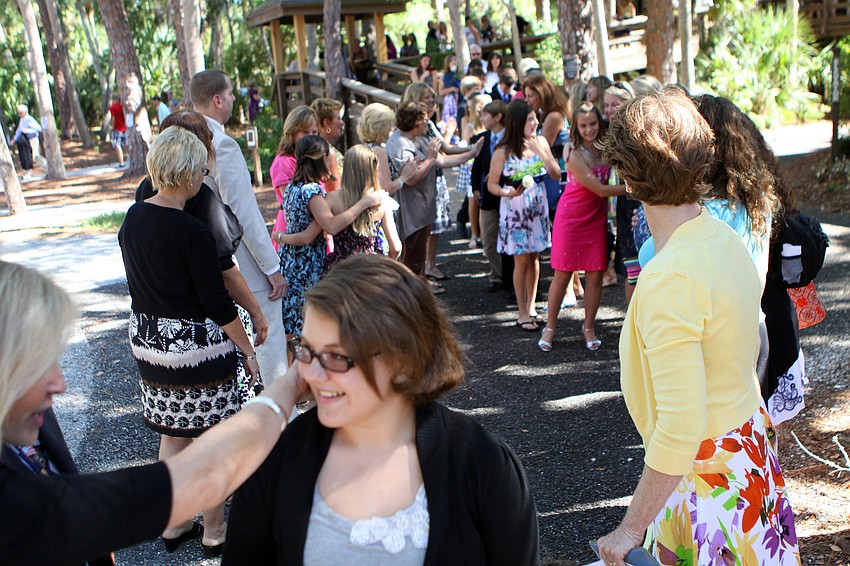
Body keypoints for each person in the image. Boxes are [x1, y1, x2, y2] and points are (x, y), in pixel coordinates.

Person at [223, 254, 539, 564]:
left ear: (404, 359)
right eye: (307, 350)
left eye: (336, 356)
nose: (312, 376)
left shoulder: (481, 463)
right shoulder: (277, 462)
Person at [595, 88, 800, 565]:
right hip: (747, 458)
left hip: (707, 483)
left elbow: (681, 426)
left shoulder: (671, 276)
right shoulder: (722, 236)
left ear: (627, 176)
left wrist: (630, 529)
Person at [0, 259, 307, 565]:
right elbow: (174, 485)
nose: (60, 384)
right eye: (38, 365)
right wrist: (288, 387)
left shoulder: (25, 418)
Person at [119, 126, 268, 556]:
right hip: (194, 348)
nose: (204, 177)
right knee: (212, 439)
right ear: (186, 176)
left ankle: (175, 521)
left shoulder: (133, 219)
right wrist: (248, 348)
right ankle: (214, 529)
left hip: (150, 341)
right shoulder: (192, 232)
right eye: (202, 170)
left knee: (173, 433)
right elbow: (218, 306)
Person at [134, 110, 269, 357]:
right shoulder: (198, 204)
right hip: (196, 336)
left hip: (153, 333)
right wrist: (255, 314)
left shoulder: (141, 201)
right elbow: (222, 279)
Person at [192, 69, 288, 386]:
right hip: (240, 265)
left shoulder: (183, 139)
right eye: (231, 93)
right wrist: (271, 266)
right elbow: (242, 214)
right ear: (217, 99)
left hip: (203, 264)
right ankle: (282, 423)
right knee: (271, 350)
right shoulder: (222, 145)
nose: (235, 98)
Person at [273, 135, 386, 338]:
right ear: (322, 158)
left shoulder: (292, 186)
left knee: (293, 331)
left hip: (290, 260)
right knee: (308, 328)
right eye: (329, 156)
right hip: (307, 265)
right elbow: (329, 227)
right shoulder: (313, 191)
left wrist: (280, 237)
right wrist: (363, 203)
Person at [539, 102, 625, 353]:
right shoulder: (572, 151)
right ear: (576, 126)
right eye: (584, 125)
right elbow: (599, 189)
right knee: (562, 274)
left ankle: (589, 327)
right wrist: (633, 189)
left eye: (593, 124)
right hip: (572, 217)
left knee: (596, 274)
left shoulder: (605, 147)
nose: (589, 129)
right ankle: (550, 327)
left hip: (595, 217)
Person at [386, 100, 480, 288]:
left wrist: (472, 152)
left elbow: (442, 161)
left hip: (423, 207)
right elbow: (410, 178)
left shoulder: (418, 137)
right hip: (411, 211)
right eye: (425, 120)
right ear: (414, 123)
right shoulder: (399, 143)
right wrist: (429, 158)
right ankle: (411, 298)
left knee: (419, 255)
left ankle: (421, 287)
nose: (428, 123)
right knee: (412, 257)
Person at [487, 100, 559, 331]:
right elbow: (491, 184)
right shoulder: (503, 151)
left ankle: (532, 304)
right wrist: (505, 192)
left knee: (534, 258)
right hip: (515, 209)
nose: (536, 122)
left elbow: (556, 174)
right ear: (518, 123)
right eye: (530, 119)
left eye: (535, 118)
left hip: (537, 208)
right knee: (520, 260)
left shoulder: (541, 142)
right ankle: (522, 311)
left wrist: (542, 154)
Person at [324, 145, 401, 268]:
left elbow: (326, 231)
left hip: (341, 269)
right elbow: (395, 247)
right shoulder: (381, 200)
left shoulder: (331, 199)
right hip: (372, 268)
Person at [602, 82, 641, 303]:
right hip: (622, 205)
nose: (609, 109)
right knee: (631, 270)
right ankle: (631, 322)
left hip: (640, 202)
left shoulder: (638, 131)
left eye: (614, 104)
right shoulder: (607, 130)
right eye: (606, 105)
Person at [270, 106, 320, 251]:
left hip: (317, 226)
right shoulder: (284, 162)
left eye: (314, 132)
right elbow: (293, 203)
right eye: (305, 132)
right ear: (292, 133)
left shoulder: (317, 160)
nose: (311, 137)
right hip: (294, 229)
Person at [471, 99, 508, 294]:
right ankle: (497, 275)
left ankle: (508, 277)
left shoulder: (510, 138)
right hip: (486, 196)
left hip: (507, 194)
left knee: (508, 236)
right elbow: (476, 168)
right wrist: (475, 188)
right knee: (488, 237)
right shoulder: (482, 138)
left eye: (485, 114)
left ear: (497, 116)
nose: (482, 118)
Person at [356, 102, 417, 195]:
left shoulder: (362, 148)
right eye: (388, 124)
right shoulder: (379, 152)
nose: (391, 128)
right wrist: (404, 177)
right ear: (380, 127)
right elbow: (386, 188)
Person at [459, 93, 491, 249]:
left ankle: (485, 236)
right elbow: (464, 145)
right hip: (472, 165)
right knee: (472, 201)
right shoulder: (471, 126)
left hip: (486, 164)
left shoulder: (490, 127)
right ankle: (474, 234)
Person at [311, 98, 345, 193]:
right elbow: (334, 189)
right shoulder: (325, 152)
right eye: (338, 118)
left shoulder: (320, 147)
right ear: (327, 123)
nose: (342, 123)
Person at [10, 104, 43, 181]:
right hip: (26, 140)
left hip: (33, 138)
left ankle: (47, 167)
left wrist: (27, 131)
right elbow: (19, 130)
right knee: (26, 156)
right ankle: (27, 173)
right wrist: (14, 139)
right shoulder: (22, 120)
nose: (19, 114)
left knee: (35, 156)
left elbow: (38, 129)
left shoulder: (29, 119)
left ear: (25, 112)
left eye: (20, 113)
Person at [439, 54, 461, 123]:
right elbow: (441, 91)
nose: (454, 62)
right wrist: (452, 89)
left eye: (455, 60)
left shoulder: (460, 75)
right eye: (451, 61)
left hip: (459, 98)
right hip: (450, 100)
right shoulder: (444, 77)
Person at [107, 94, 127, 168]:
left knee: (117, 145)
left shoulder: (112, 108)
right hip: (124, 128)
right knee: (124, 144)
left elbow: (113, 118)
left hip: (117, 128)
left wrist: (112, 127)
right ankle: (127, 158)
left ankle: (121, 162)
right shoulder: (122, 107)